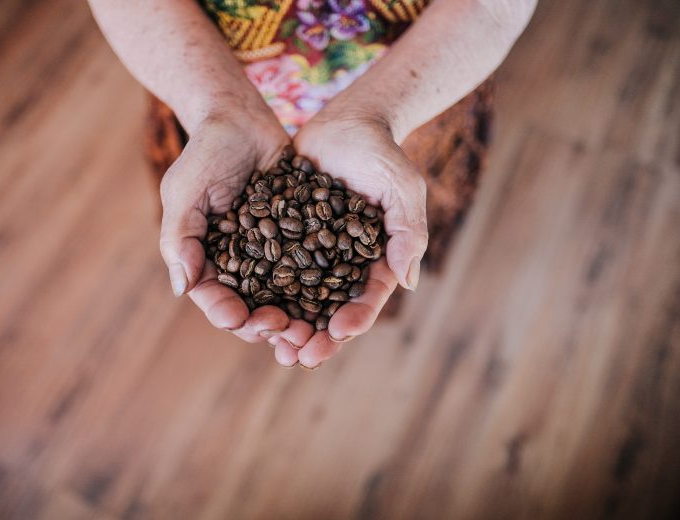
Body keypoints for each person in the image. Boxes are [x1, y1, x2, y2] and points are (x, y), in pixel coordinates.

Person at [88, 0, 536, 369]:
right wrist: (217, 109)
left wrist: (375, 114)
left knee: (391, 233)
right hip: (202, 69)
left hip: (418, 84)